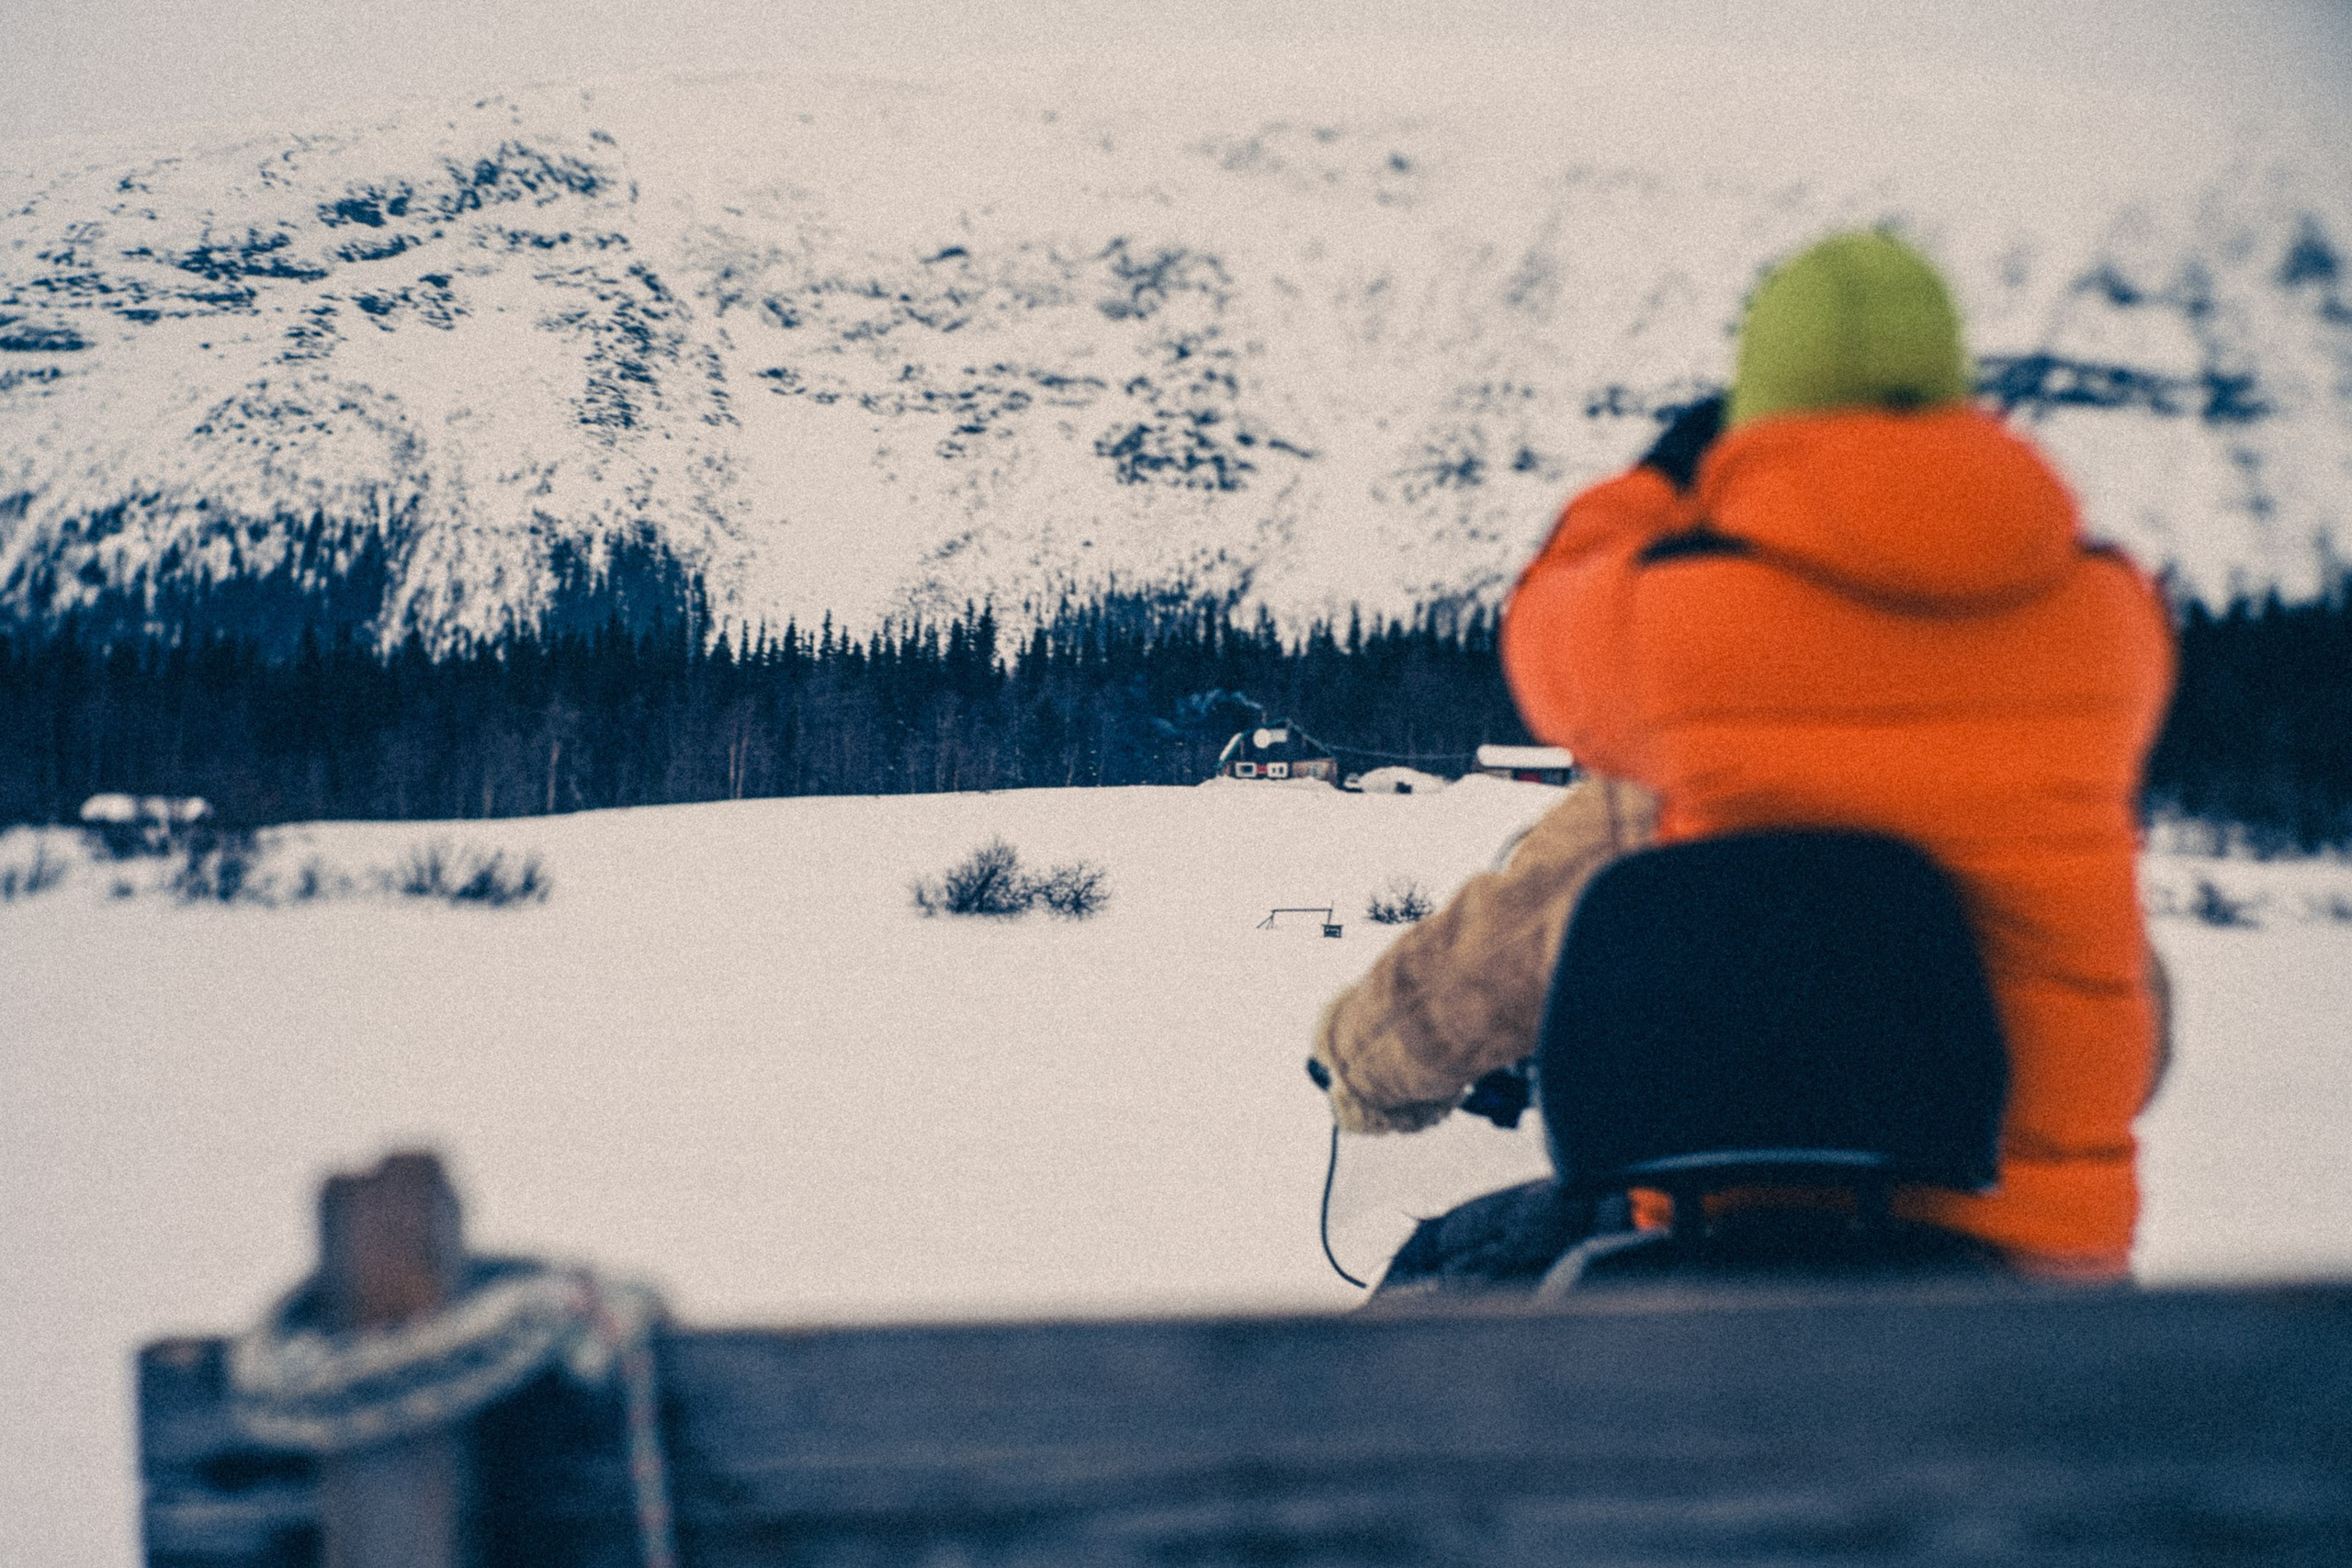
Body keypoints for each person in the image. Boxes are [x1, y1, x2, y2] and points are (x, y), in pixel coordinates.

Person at [1316, 230, 2175, 1282]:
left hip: (1724, 1264)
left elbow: (1544, 625)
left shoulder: (1670, 635)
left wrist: (1658, 481)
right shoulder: (2110, 616)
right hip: (2044, 1281)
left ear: (1759, 404)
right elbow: (2141, 1026)